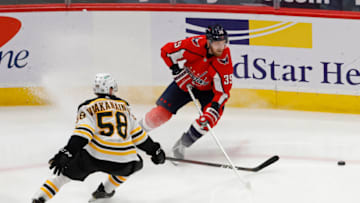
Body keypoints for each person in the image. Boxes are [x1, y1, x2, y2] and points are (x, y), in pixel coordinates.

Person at [32, 73, 166, 203]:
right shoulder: (125, 106)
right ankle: (106, 190)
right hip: (124, 160)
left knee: (62, 175)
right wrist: (155, 150)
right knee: (136, 163)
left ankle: (40, 198)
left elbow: (83, 134)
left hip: (93, 157)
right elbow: (139, 136)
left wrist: (67, 152)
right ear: (111, 89)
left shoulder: (87, 106)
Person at [139, 24, 233, 160]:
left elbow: (223, 92)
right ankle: (135, 134)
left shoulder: (223, 61)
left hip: (210, 92)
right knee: (160, 113)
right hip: (186, 81)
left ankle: (182, 145)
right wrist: (176, 70)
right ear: (208, 41)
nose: (220, 47)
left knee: (207, 120)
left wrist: (213, 108)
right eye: (217, 43)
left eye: (223, 43)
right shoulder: (193, 45)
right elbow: (166, 51)